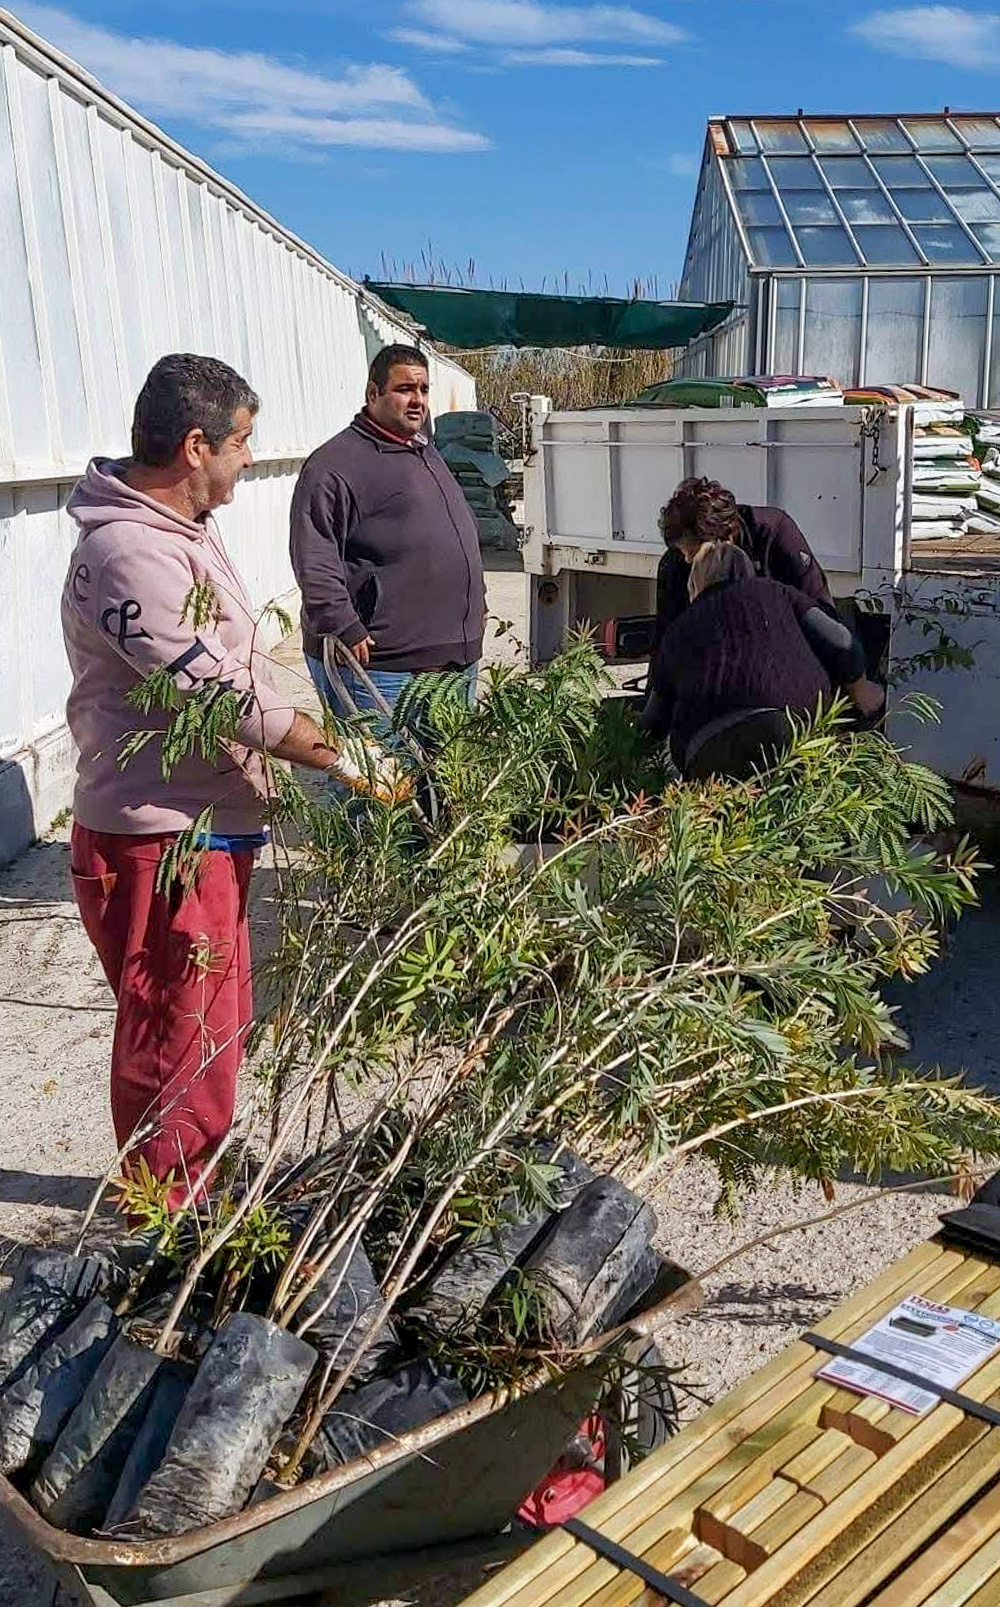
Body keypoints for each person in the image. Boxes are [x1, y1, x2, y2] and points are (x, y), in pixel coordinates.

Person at [62, 354, 406, 1208]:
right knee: (176, 1028)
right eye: (242, 441)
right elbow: (214, 693)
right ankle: (169, 1208)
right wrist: (344, 756)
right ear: (193, 446)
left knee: (210, 1019)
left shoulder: (180, 526)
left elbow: (240, 666)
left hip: (204, 820)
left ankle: (192, 1171)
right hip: (160, 836)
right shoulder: (127, 554)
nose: (249, 457)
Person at [289, 344, 485, 729]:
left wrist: (473, 603)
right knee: (380, 779)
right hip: (382, 667)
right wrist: (342, 624)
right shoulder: (335, 465)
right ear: (373, 393)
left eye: (424, 390)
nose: (418, 401)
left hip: (452, 659)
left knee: (445, 779)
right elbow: (314, 556)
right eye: (404, 389)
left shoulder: (424, 451)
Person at [642, 541, 883, 780]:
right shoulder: (777, 592)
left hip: (705, 746)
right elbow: (841, 642)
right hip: (790, 721)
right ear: (749, 572)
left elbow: (654, 721)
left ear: (694, 586)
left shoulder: (678, 630)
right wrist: (862, 690)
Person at [651, 477, 836, 660]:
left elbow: (822, 616)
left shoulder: (774, 533)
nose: (688, 560)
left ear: (726, 537)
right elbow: (666, 643)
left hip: (785, 649)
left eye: (693, 552)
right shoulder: (676, 562)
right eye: (683, 552)